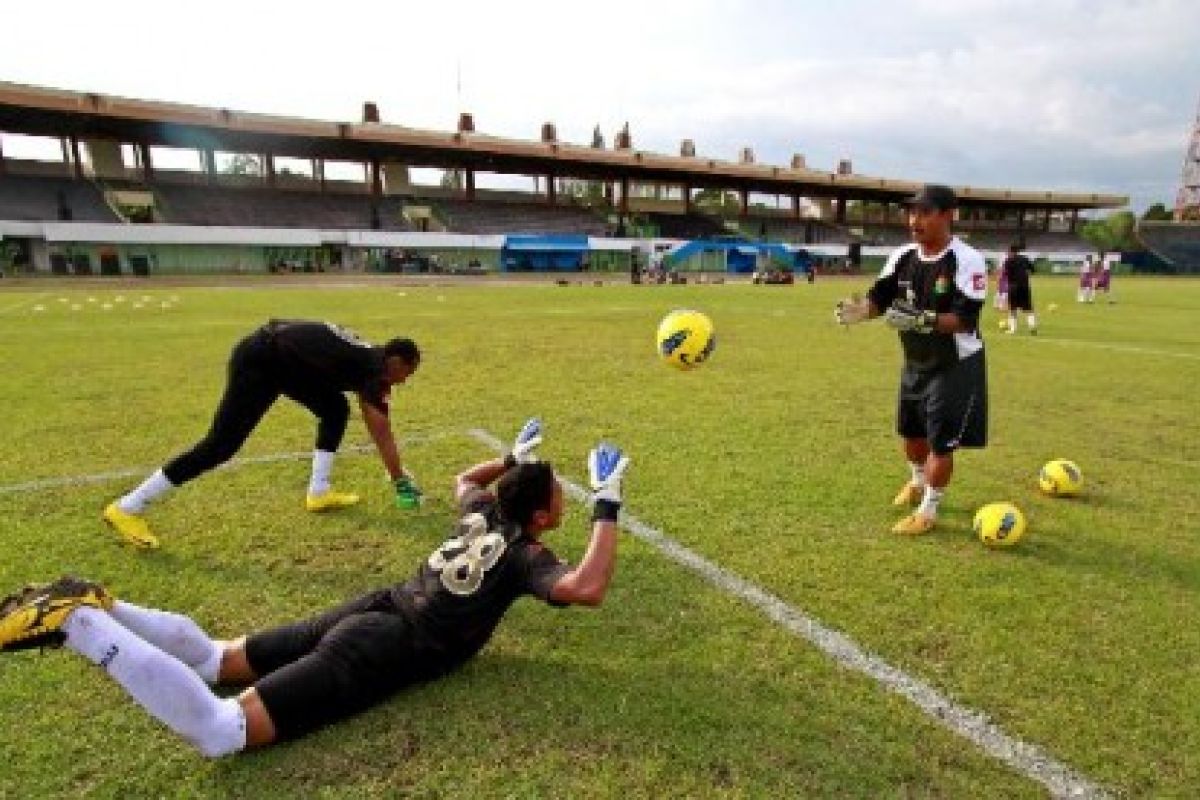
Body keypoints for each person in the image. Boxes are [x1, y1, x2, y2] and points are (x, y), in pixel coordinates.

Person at [1, 420, 631, 757]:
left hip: (380, 603)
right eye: (561, 501)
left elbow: (467, 474)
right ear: (544, 520)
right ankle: (77, 622)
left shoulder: (479, 510)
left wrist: (514, 462)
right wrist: (608, 503)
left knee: (216, 658)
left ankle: (102, 604)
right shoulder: (526, 554)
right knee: (222, 731)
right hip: (384, 642)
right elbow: (588, 587)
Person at [102, 320, 422, 549]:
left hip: (285, 362)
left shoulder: (371, 359)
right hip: (262, 358)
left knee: (335, 409)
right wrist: (398, 478)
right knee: (220, 446)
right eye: (408, 372)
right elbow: (381, 432)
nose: (405, 380)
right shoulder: (372, 371)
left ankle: (319, 492)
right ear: (395, 362)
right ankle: (128, 507)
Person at [833, 184, 988, 535]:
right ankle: (917, 481)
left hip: (955, 365)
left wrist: (923, 319)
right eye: (912, 212)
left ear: (948, 215)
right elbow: (881, 298)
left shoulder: (966, 260)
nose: (914, 220)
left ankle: (928, 511)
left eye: (924, 212)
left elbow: (965, 319)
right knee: (911, 433)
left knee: (940, 442)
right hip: (916, 361)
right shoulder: (902, 256)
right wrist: (862, 311)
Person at [1000, 243, 1037, 334]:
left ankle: (1013, 329)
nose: (1007, 253)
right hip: (1025, 286)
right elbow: (1033, 270)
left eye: (1008, 251)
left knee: (1013, 308)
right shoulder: (1025, 259)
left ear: (1011, 251)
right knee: (1028, 307)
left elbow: (1005, 273)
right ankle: (1032, 326)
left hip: (1013, 287)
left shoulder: (1008, 261)